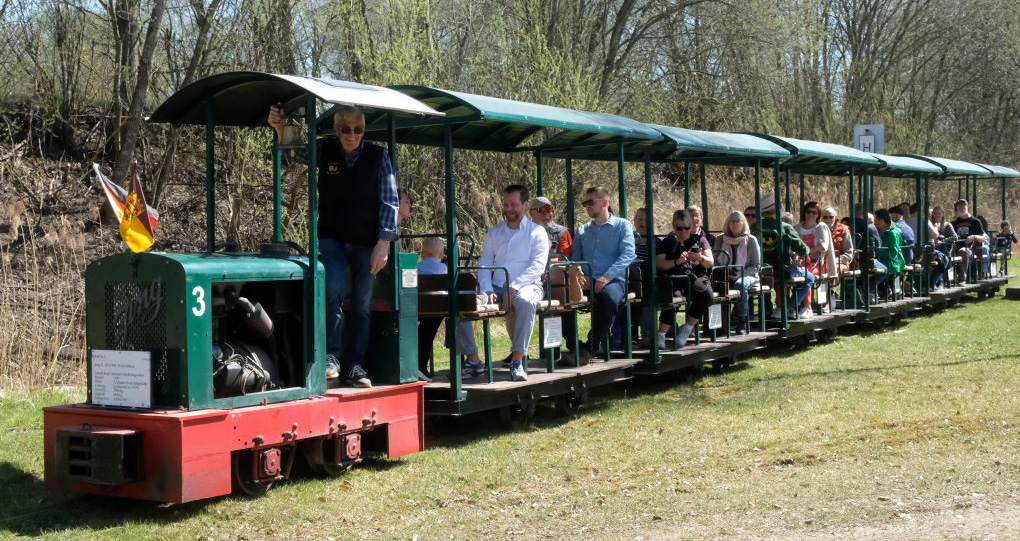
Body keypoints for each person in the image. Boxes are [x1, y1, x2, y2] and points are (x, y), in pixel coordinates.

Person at [268, 104, 396, 388]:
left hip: (367, 242)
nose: (352, 134)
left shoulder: (379, 156)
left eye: (358, 129)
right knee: (333, 289)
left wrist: (384, 243)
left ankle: (355, 365)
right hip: (332, 238)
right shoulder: (323, 149)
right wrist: (280, 129)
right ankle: (331, 357)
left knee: (362, 305)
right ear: (337, 130)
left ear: (364, 131)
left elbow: (390, 201)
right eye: (346, 129)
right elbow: (290, 153)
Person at [477, 185, 549, 382]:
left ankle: (517, 361)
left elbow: (537, 267)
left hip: (527, 285)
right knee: (463, 301)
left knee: (526, 302)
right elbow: (484, 263)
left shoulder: (536, 232)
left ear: (525, 205)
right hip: (497, 287)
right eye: (506, 204)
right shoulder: (495, 232)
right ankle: (472, 360)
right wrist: (487, 289)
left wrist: (514, 287)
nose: (509, 209)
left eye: (514, 205)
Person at [562, 186, 636, 364]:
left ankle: (590, 348)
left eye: (590, 202)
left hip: (613, 279)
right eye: (585, 203)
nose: (587, 206)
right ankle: (574, 346)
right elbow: (576, 259)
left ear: (605, 202)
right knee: (562, 299)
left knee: (609, 298)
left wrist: (607, 277)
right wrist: (581, 277)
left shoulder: (622, 226)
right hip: (586, 280)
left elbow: (628, 254)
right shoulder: (583, 231)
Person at [416, 237, 483, 382]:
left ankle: (420, 365)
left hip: (419, 308)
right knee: (449, 316)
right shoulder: (444, 269)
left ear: (422, 254)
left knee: (424, 330)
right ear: (441, 255)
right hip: (439, 308)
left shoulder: (417, 267)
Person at [758, 194, 810, 320]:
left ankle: (766, 309)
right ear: (777, 209)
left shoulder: (755, 227)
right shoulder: (785, 227)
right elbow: (804, 249)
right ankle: (789, 307)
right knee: (810, 278)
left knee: (766, 280)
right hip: (783, 270)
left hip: (760, 270)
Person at [713, 210, 759, 334]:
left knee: (740, 284)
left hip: (747, 274)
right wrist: (723, 271)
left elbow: (756, 266)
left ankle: (742, 321)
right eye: (732, 221)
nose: (735, 224)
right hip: (724, 274)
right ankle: (715, 324)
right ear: (727, 224)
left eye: (738, 221)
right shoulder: (720, 239)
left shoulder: (751, 240)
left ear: (743, 223)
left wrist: (739, 274)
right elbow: (714, 261)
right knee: (713, 285)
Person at [795, 201, 837, 317]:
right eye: (808, 212)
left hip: (817, 263)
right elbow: (792, 247)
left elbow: (824, 246)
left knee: (807, 275)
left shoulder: (821, 227)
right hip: (799, 262)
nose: (811, 215)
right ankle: (787, 306)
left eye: (814, 213)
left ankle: (807, 306)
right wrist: (797, 256)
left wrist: (806, 251)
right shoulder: (796, 228)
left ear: (818, 215)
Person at [951, 199, 989, 278]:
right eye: (959, 207)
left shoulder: (975, 221)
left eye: (963, 206)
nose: (961, 208)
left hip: (970, 249)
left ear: (967, 207)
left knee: (963, 251)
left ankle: (962, 276)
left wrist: (974, 236)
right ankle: (945, 279)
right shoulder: (954, 223)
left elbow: (983, 238)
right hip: (955, 248)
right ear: (956, 209)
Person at [874, 209, 906, 293]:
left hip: (892, 262)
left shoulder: (893, 233)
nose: (874, 223)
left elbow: (893, 252)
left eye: (875, 220)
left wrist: (877, 253)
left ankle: (893, 290)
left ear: (881, 221)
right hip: (890, 260)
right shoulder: (890, 228)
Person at [929, 205, 957, 290]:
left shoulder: (947, 225)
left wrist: (943, 241)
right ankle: (933, 283)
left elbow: (955, 237)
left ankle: (938, 282)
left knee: (942, 260)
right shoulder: (931, 225)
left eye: (939, 213)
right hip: (933, 249)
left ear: (943, 214)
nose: (937, 215)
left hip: (945, 250)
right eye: (935, 213)